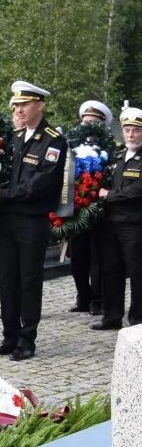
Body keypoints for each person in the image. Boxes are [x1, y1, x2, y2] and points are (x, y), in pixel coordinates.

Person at [0, 81, 66, 361]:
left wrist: (3, 194)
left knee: (29, 280)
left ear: (40, 105)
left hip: (31, 221)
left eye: (24, 104)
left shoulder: (53, 140)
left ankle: (26, 338)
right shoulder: (15, 137)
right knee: (6, 279)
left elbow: (40, 184)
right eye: (16, 105)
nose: (18, 110)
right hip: (7, 220)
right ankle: (9, 336)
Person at [95, 106, 142, 330]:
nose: (131, 135)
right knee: (110, 270)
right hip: (111, 223)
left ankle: (137, 319)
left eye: (136, 131)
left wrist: (109, 195)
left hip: (135, 224)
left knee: (137, 272)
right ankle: (111, 317)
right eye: (127, 130)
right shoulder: (118, 155)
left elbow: (137, 190)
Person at [70, 99, 113, 315]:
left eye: (94, 122)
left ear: (102, 125)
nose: (89, 126)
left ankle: (98, 300)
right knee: (77, 259)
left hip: (99, 211)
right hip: (77, 210)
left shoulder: (111, 149)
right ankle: (82, 296)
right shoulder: (73, 148)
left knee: (97, 259)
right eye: (86, 121)